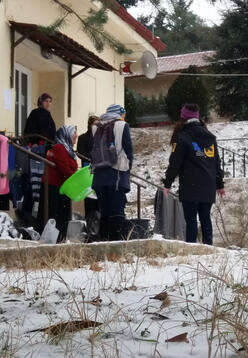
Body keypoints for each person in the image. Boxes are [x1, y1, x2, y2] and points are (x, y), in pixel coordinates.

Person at [163, 103, 225, 245]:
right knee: (205, 219)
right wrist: (219, 184)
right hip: (208, 185)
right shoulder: (210, 137)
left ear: (183, 118)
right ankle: (208, 248)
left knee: (191, 221)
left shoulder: (182, 137)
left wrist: (167, 183)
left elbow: (175, 163)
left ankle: (191, 249)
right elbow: (216, 163)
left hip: (190, 186)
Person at [91, 104, 133, 241]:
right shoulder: (122, 125)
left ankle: (103, 240)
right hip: (117, 174)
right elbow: (128, 150)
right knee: (117, 211)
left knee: (105, 211)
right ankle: (116, 244)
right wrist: (127, 167)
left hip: (99, 176)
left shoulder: (96, 127)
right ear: (120, 113)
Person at [37, 125, 78, 242]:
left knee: (62, 217)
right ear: (67, 134)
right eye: (74, 132)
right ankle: (53, 241)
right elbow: (65, 169)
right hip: (53, 188)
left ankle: (60, 240)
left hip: (62, 188)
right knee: (55, 216)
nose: (76, 135)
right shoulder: (60, 148)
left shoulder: (69, 150)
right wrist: (77, 177)